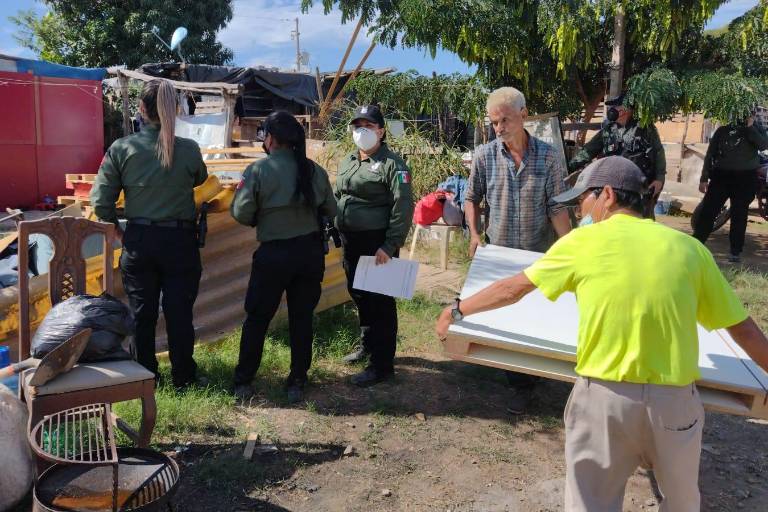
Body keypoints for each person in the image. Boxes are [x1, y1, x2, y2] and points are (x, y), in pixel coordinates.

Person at [436, 155, 768, 512]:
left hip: (604, 403)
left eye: (583, 200)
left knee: (590, 504)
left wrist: (457, 310)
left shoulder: (583, 243)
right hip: (675, 406)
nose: (580, 211)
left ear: (607, 195)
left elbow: (512, 289)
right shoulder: (690, 250)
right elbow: (744, 330)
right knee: (682, 504)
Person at [91, 79, 208, 389]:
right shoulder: (189, 150)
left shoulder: (122, 148)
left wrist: (119, 233)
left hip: (140, 241)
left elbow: (100, 203)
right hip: (181, 242)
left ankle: (144, 377)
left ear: (141, 109)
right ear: (175, 110)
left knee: (142, 315)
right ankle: (184, 377)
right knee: (179, 312)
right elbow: (200, 178)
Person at [465, 86, 571, 413]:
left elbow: (557, 207)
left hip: (537, 251)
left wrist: (570, 247)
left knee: (536, 314)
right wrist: (473, 233)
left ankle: (533, 372)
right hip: (499, 253)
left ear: (524, 115)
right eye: (494, 122)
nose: (499, 128)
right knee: (508, 315)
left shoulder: (549, 156)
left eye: (505, 120)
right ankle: (520, 384)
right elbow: (471, 198)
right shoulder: (485, 156)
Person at [230, 111, 337, 403]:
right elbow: (331, 209)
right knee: (301, 318)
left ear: (271, 139)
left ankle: (244, 381)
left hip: (274, 255)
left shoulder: (258, 171)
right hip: (310, 254)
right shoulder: (315, 170)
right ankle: (297, 380)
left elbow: (240, 212)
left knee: (258, 318)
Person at [336, 104, 414, 386]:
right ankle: (368, 345)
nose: (362, 132)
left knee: (380, 301)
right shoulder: (348, 161)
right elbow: (338, 193)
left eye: (368, 126)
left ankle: (382, 365)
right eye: (358, 126)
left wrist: (389, 244)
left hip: (377, 242)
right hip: (351, 240)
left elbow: (403, 207)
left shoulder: (393, 165)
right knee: (359, 294)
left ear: (381, 131)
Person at [569, 93, 666, 217]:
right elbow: (588, 151)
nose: (611, 110)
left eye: (615, 106)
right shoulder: (608, 131)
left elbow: (658, 152)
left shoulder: (645, 129)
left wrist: (659, 179)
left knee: (641, 220)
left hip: (639, 187)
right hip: (613, 187)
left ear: (625, 109)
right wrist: (569, 167)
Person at [693, 116, 768, 263]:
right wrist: (703, 178)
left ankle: (735, 252)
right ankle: (696, 244)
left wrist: (750, 127)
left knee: (739, 215)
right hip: (721, 176)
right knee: (708, 211)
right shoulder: (723, 130)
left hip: (745, 178)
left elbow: (763, 145)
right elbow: (710, 154)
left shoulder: (756, 129)